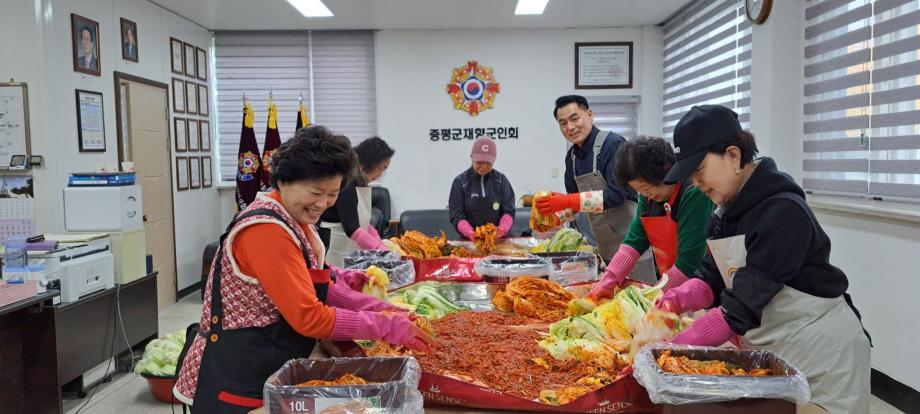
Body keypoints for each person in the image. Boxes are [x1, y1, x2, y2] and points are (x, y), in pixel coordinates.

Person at [174, 126, 433, 413]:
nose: (323, 204)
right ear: (283, 181)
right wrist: (383, 325)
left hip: (270, 364)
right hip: (240, 376)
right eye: (315, 192)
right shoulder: (266, 230)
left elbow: (320, 288)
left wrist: (381, 309)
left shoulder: (292, 219)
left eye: (332, 194)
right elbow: (309, 318)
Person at [655, 105, 870, 413]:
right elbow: (713, 276)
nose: (696, 184)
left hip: (822, 349)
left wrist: (676, 348)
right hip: (774, 345)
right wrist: (676, 299)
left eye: (699, 172)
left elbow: (742, 303)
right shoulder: (724, 212)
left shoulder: (783, 212)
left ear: (732, 155)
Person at [587, 136, 713, 302]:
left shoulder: (693, 194)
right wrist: (608, 280)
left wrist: (651, 298)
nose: (647, 195)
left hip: (701, 287)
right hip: (671, 283)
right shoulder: (649, 198)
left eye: (647, 188)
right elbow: (635, 241)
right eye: (640, 190)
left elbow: (689, 262)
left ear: (666, 172)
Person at [536, 95, 639, 260]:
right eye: (563, 123)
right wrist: (556, 218)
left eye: (575, 119)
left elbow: (617, 195)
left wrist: (567, 201)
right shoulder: (572, 157)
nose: (570, 127)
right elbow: (576, 205)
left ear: (589, 114)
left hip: (631, 244)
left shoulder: (613, 144)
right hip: (597, 245)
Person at [321, 136, 395, 267]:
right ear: (370, 161)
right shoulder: (347, 182)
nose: (380, 174)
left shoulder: (360, 182)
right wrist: (381, 249)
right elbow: (352, 228)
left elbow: (364, 222)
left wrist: (380, 242)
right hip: (336, 252)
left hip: (350, 251)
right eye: (381, 168)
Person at [449, 136, 515, 240]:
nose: (483, 167)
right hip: (470, 242)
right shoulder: (460, 182)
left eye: (488, 162)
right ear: (472, 157)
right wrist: (469, 232)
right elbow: (456, 215)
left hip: (499, 241)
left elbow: (509, 211)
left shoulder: (501, 180)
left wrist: (502, 229)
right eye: (479, 162)